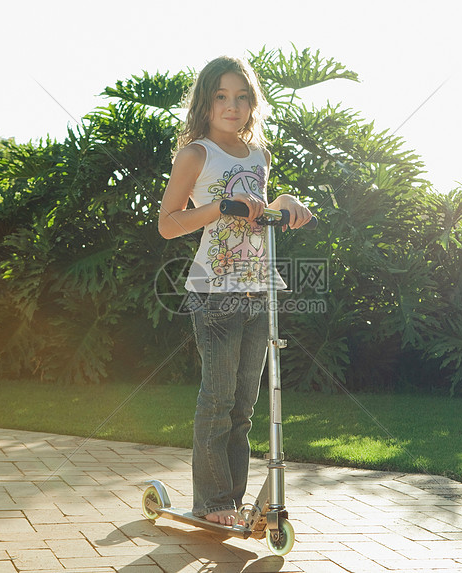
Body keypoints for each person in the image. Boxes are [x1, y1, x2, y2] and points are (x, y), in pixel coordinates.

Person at [158, 56, 312, 526]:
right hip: (215, 290)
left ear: (252, 103)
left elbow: (259, 210)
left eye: (242, 97)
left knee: (244, 407)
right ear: (205, 102)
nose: (233, 106)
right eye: (222, 96)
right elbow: (168, 224)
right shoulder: (196, 154)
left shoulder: (259, 155)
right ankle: (213, 503)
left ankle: (232, 501)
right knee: (218, 400)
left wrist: (284, 203)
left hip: (257, 288)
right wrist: (218, 207)